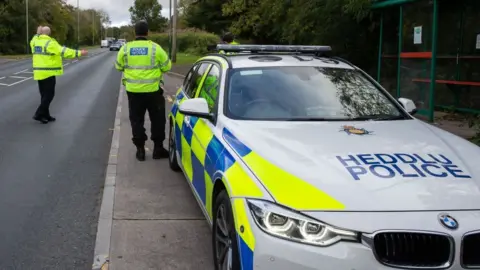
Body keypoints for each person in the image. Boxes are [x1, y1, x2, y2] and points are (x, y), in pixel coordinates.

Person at [114, 20, 172, 161]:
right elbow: (167, 67)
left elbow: (118, 66)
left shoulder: (126, 49)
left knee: (136, 120)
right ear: (147, 33)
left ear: (135, 33)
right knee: (157, 120)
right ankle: (158, 149)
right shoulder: (155, 48)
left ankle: (140, 150)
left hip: (133, 92)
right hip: (153, 91)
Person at [32, 26, 88, 124]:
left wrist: (37, 33)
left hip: (38, 73)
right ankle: (39, 114)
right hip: (48, 73)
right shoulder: (50, 43)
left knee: (44, 95)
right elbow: (64, 51)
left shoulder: (35, 41)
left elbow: (34, 38)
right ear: (49, 33)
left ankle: (46, 115)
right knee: (49, 95)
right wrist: (80, 53)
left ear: (41, 33)